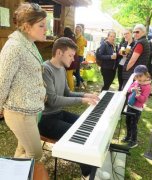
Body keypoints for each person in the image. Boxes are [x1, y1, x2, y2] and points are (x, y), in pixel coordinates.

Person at [38, 37, 110, 179]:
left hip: (58, 114)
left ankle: (92, 167)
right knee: (81, 139)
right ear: (59, 52)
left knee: (89, 127)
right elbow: (52, 101)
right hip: (45, 120)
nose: (73, 59)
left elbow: (67, 93)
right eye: (70, 55)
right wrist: (82, 100)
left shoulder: (62, 70)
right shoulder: (45, 69)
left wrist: (86, 94)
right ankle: (88, 174)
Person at [0, 2, 47, 161]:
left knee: (22, 151)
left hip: (31, 109)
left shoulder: (29, 43)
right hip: (19, 112)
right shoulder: (14, 47)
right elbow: (2, 82)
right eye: (41, 25)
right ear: (27, 26)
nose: (45, 29)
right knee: (35, 154)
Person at [122, 65, 152, 148]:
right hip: (130, 105)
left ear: (146, 75)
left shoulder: (147, 87)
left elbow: (143, 100)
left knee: (133, 124)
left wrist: (138, 95)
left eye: (140, 76)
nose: (138, 77)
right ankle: (128, 136)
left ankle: (133, 140)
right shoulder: (136, 82)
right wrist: (132, 89)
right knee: (127, 122)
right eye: (136, 76)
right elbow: (128, 89)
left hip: (137, 109)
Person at [122, 24, 150, 88]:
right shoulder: (144, 41)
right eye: (134, 32)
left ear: (143, 32)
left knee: (126, 92)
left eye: (137, 32)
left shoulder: (140, 43)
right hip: (139, 72)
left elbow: (132, 60)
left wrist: (126, 69)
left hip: (133, 72)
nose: (135, 34)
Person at [64, 27, 79, 91]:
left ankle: (71, 90)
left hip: (71, 59)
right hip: (74, 59)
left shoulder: (68, 39)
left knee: (69, 76)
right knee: (70, 75)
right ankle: (70, 89)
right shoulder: (73, 38)